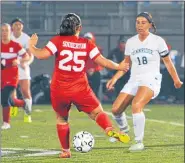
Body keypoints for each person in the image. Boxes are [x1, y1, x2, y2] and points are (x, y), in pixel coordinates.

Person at [28, 13, 130, 158]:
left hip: (59, 89)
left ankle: (66, 151)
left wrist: (31, 45)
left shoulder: (58, 40)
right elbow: (102, 61)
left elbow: (41, 55)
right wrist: (119, 66)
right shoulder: (86, 43)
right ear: (79, 28)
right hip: (80, 88)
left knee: (62, 119)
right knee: (98, 113)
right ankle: (108, 129)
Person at [106, 12, 183, 151]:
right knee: (116, 110)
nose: (140, 25)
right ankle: (124, 130)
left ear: (150, 24)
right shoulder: (131, 42)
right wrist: (114, 78)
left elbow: (168, 62)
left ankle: (139, 142)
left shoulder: (158, 41)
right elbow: (126, 64)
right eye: (137, 22)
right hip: (134, 80)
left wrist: (176, 80)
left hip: (151, 79)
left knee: (136, 104)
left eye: (143, 22)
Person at [1, 23, 30, 129]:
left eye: (6, 30)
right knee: (11, 101)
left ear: (10, 32)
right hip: (1, 77)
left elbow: (26, 56)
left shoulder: (15, 45)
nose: (4, 33)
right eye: (2, 30)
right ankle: (23, 104)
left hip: (12, 77)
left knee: (4, 98)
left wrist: (19, 60)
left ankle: (6, 123)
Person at [10, 18, 33, 122]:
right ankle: (14, 107)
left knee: (25, 91)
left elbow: (30, 55)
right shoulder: (7, 37)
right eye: (16, 24)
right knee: (11, 90)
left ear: (22, 26)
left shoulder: (26, 39)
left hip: (23, 68)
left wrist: (25, 62)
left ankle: (27, 114)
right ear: (12, 26)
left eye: (20, 24)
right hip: (10, 68)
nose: (18, 26)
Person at [84, 32, 103, 98]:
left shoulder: (97, 49)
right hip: (84, 71)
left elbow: (99, 62)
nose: (87, 40)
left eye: (89, 38)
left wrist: (93, 69)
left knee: (97, 77)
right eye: (86, 38)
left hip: (95, 71)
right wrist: (86, 70)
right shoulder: (80, 49)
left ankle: (95, 97)